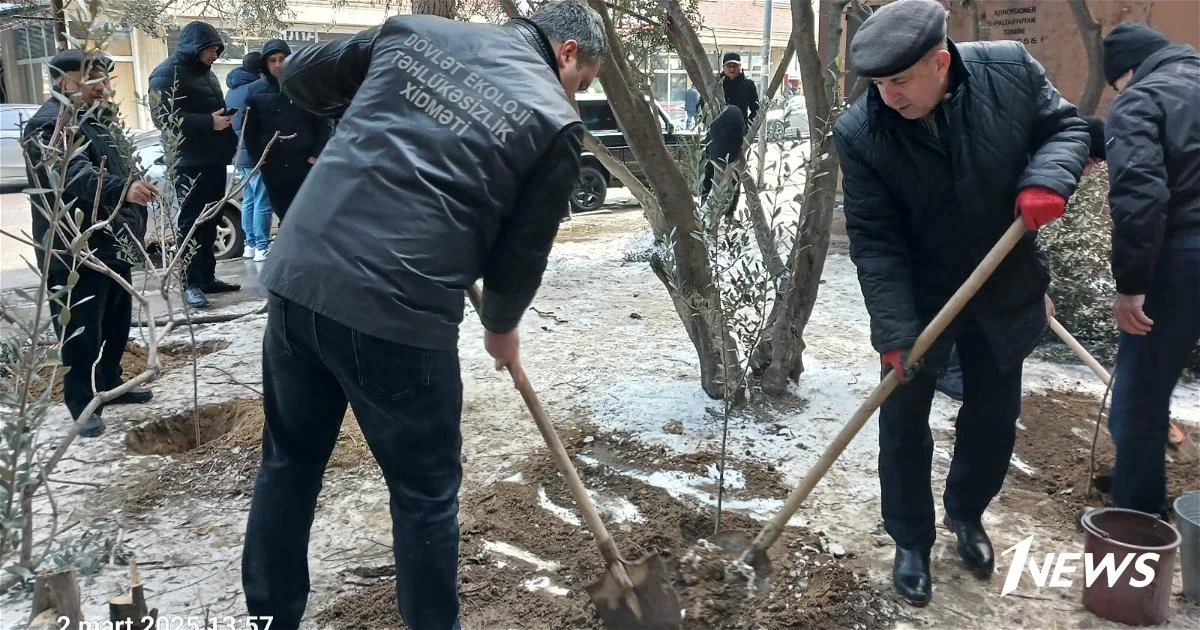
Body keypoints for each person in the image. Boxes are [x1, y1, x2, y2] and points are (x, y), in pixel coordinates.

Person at [239, 2, 607, 628]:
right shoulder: (554, 121)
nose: (574, 95)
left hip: (301, 278)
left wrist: (375, 104)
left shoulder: (414, 35)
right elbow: (522, 251)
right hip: (398, 312)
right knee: (424, 496)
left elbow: (300, 74)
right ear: (566, 51)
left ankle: (269, 618)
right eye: (582, 82)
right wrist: (502, 327)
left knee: (289, 461)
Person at [833, 0, 1089, 606]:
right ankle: (911, 540)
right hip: (920, 298)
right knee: (902, 424)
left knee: (994, 415)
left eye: (900, 80)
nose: (887, 96)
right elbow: (876, 240)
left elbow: (1069, 129)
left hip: (1003, 281)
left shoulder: (1010, 71)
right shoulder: (861, 133)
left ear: (941, 61)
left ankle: (967, 514)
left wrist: (1047, 180)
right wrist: (895, 331)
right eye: (876, 83)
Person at [22, 50, 157, 438]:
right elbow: (73, 175)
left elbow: (119, 163)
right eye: (95, 80)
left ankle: (109, 385)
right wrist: (123, 189)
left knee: (115, 320)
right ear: (67, 82)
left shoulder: (97, 120)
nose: (105, 89)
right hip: (74, 246)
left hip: (112, 240)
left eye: (105, 80)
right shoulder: (48, 126)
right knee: (80, 328)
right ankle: (81, 404)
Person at [1099, 22, 1199, 521]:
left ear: (1129, 71)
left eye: (1117, 84)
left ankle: (1137, 516)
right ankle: (1136, 480)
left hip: (1183, 258)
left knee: (1138, 395)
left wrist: (1132, 286)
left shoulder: (1141, 99)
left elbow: (1141, 196)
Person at [935, 115, 1109, 402]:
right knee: (993, 311)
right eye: (1091, 163)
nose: (1088, 172)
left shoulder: (1044, 169)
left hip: (992, 250)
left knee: (1019, 312)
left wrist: (1037, 288)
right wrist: (1032, 289)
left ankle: (960, 369)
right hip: (970, 246)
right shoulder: (1030, 167)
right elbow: (1007, 230)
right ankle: (950, 370)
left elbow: (1025, 236)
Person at [148, 20, 240, 309]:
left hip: (213, 158)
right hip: (189, 161)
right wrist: (209, 122)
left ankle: (207, 277)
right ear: (195, 48)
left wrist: (224, 122)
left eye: (217, 50)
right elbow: (163, 119)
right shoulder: (165, 74)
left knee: (210, 221)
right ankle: (191, 284)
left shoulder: (206, 74)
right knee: (191, 225)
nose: (215, 55)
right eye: (211, 50)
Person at [236, 39, 331, 223]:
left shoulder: (305, 86)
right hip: (274, 166)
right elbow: (249, 129)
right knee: (284, 216)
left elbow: (323, 122)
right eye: (272, 60)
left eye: (282, 58)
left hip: (305, 163)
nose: (278, 64)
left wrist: (316, 154)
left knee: (308, 216)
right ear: (265, 63)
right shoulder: (255, 91)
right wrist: (259, 159)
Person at [225, 51, 274, 262]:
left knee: (250, 200)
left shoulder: (232, 90)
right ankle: (263, 245)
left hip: (239, 154)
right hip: (255, 154)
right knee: (263, 200)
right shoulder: (254, 90)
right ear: (260, 70)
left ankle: (250, 244)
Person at [699, 104, 746, 220]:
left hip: (716, 150)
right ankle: (720, 214)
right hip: (728, 149)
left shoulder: (717, 109)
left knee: (718, 182)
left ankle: (707, 214)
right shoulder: (734, 112)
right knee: (726, 181)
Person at [700, 52, 760, 124]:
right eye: (729, 66)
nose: (732, 69)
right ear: (723, 67)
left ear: (740, 66)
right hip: (717, 129)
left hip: (739, 129)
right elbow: (703, 105)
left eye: (735, 66)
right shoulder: (715, 85)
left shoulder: (748, 85)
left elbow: (756, 109)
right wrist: (709, 123)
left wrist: (748, 127)